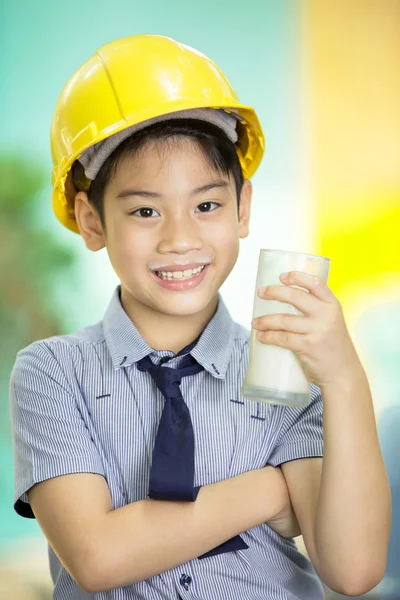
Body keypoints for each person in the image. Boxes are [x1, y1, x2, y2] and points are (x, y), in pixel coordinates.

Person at [9, 34, 391, 600]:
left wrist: (344, 377)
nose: (180, 238)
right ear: (91, 223)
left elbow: (354, 571)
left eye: (206, 205)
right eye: (144, 210)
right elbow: (98, 557)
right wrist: (268, 490)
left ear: (243, 209)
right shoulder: (53, 372)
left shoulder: (285, 372)